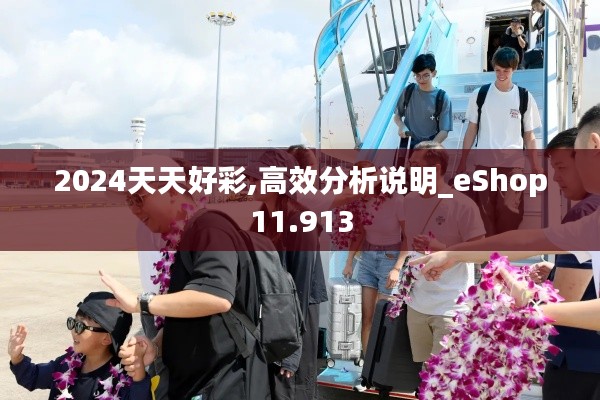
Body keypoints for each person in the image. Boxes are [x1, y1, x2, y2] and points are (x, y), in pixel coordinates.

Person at [410, 105, 600, 334]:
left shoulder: (587, 211)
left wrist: (525, 307)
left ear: (594, 145)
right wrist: (453, 254)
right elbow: (529, 241)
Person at [100, 154, 270, 400]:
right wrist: (155, 346)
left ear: (171, 190)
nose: (134, 209)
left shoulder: (209, 227)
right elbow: (189, 314)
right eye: (129, 201)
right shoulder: (183, 238)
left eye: (139, 198)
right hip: (194, 382)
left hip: (222, 383)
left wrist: (140, 302)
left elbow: (215, 296)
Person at [246, 149, 327, 400]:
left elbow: (301, 287)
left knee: (293, 386)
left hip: (298, 313)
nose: (250, 181)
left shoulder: (301, 220)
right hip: (274, 308)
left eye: (257, 177)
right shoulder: (263, 216)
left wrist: (293, 350)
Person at [397, 142, 485, 368]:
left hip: (450, 307)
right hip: (417, 304)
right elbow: (408, 241)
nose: (409, 169)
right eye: (410, 164)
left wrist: (444, 249)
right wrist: (398, 268)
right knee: (423, 373)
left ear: (435, 168)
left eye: (415, 165)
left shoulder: (463, 205)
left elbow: (481, 254)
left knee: (445, 376)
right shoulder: (409, 201)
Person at [529, 128, 600, 400]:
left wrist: (517, 294)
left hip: (577, 363)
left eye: (561, 168)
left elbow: (563, 300)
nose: (555, 178)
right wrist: (556, 271)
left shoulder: (583, 212)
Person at [456, 46, 542, 236]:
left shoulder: (524, 97)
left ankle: (503, 246)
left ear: (514, 69)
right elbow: (471, 129)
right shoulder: (480, 94)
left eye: (506, 70)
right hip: (484, 163)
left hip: (513, 165)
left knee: (510, 209)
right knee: (484, 212)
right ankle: (490, 250)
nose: (501, 74)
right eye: (498, 70)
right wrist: (463, 160)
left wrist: (536, 164)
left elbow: (529, 136)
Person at [341, 160, 408, 392]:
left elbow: (407, 236)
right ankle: (367, 371)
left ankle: (382, 370)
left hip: (390, 259)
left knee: (384, 319)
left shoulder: (395, 199)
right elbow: (359, 233)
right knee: (367, 317)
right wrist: (349, 261)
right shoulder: (361, 202)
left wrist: (397, 267)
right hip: (367, 259)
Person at [8, 291, 150, 400]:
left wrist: (138, 373)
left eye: (80, 326)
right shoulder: (65, 364)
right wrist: (17, 358)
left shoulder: (121, 378)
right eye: (73, 323)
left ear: (106, 338)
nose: (74, 331)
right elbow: (33, 377)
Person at [393, 53, 453, 149]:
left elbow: (444, 131)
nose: (421, 80)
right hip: (408, 143)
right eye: (417, 76)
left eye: (426, 75)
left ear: (434, 73)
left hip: (430, 145)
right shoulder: (408, 91)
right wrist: (401, 126)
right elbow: (397, 116)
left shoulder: (442, 97)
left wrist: (428, 148)